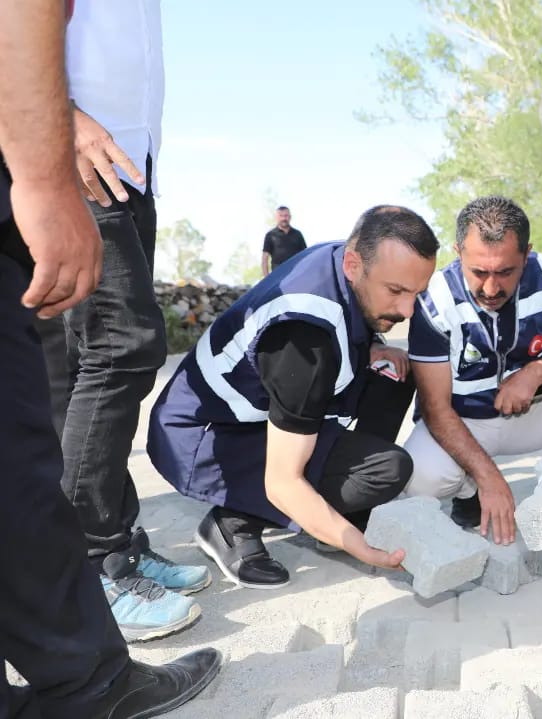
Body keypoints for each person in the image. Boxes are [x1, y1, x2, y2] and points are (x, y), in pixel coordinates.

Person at [0, 1, 220, 715]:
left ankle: (116, 540)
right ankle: (96, 560)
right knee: (125, 344)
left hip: (124, 149)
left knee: (73, 362)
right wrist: (59, 128)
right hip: (62, 139)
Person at [148, 206, 436, 588]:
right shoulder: (302, 339)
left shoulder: (348, 260)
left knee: (395, 375)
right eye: (396, 292)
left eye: (417, 293)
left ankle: (335, 510)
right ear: (354, 265)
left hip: (254, 414)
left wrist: (374, 345)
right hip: (204, 437)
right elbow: (283, 481)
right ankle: (232, 523)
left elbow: (350, 317)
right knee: (387, 469)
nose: (407, 310)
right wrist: (362, 549)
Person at [403, 196, 542, 545]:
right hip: (465, 423)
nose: (491, 288)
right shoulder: (434, 300)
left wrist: (537, 372)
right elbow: (435, 409)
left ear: (527, 253)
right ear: (458, 252)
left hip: (533, 414)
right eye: (479, 272)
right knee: (420, 476)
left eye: (505, 271)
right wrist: (491, 480)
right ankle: (470, 490)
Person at [261, 205, 307, 276]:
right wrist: (266, 279)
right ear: (276, 218)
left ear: (290, 217)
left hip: (296, 275)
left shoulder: (298, 234)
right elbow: (265, 259)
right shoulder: (270, 235)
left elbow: (305, 255)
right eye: (281, 216)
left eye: (286, 215)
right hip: (278, 277)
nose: (283, 218)